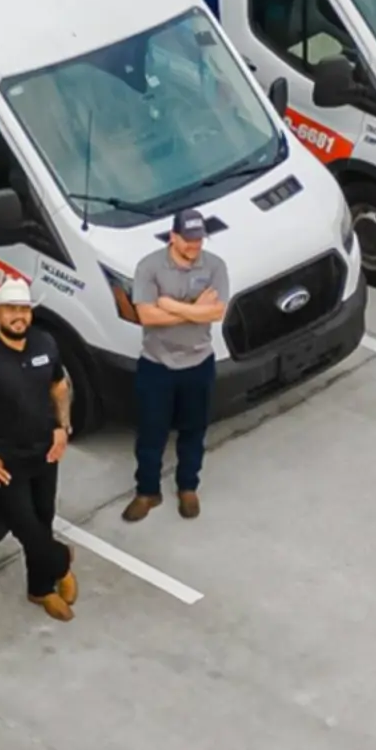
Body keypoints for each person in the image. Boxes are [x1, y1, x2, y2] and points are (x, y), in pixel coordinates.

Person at [0, 277, 79, 621]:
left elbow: (58, 385)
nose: (19, 316)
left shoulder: (44, 343)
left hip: (45, 453)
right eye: (11, 310)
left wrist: (62, 427)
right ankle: (61, 562)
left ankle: (39, 590)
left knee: (44, 518)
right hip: (5, 463)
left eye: (24, 309)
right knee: (28, 529)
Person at [122, 206, 230, 523]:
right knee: (150, 433)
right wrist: (193, 308)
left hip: (199, 363)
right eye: (187, 239)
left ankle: (187, 487)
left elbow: (216, 312)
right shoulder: (149, 267)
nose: (194, 246)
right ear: (173, 236)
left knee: (193, 430)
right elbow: (147, 316)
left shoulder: (215, 266)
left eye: (198, 239)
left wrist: (168, 304)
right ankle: (147, 492)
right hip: (156, 365)